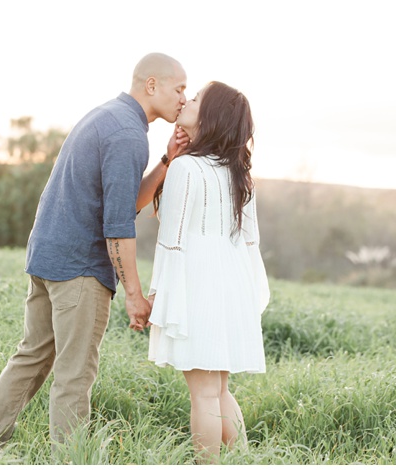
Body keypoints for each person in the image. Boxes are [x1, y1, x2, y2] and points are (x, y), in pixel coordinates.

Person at [0, 52, 189, 452]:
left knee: (32, 357)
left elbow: (124, 203)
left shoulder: (109, 117)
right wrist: (134, 296)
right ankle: (71, 459)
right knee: (74, 376)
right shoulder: (128, 135)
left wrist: (165, 161)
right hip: (80, 269)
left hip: (48, 257)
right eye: (179, 89)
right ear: (152, 86)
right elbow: (118, 227)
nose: (183, 98)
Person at [146, 81, 270, 464]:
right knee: (217, 390)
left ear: (210, 116)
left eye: (197, 98)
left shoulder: (185, 168)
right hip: (232, 284)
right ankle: (242, 460)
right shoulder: (238, 173)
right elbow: (252, 243)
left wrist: (156, 294)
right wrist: (253, 295)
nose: (188, 100)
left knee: (202, 392)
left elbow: (172, 242)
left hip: (197, 283)